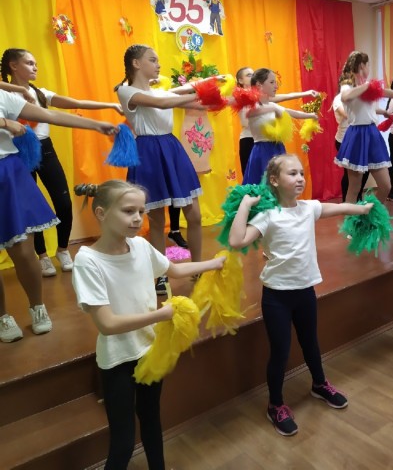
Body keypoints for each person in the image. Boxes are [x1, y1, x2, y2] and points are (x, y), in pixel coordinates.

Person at [72, 179, 226, 469]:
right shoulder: (88, 261)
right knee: (123, 442)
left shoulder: (141, 246)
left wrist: (213, 264)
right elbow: (107, 324)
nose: (137, 218)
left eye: (141, 212)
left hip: (149, 351)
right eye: (128, 211)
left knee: (152, 420)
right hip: (118, 361)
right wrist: (159, 316)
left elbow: (174, 269)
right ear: (101, 213)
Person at [229, 154, 373, 436]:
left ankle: (319, 384)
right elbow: (237, 241)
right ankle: (275, 405)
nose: (300, 179)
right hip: (277, 297)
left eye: (301, 174)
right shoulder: (268, 216)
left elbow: (337, 207)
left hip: (305, 291)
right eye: (292, 174)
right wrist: (245, 206)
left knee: (311, 343)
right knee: (280, 352)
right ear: (274, 180)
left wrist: (363, 208)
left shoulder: (309, 208)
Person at [0, 89, 117, 343]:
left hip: (7, 172)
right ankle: (2, 317)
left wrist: (95, 125)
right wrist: (5, 123)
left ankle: (37, 307)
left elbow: (49, 115)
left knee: (24, 251)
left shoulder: (2, 96)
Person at [1, 48, 123, 277]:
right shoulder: (5, 93)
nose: (35, 67)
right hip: (18, 153)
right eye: (29, 63)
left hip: (45, 150)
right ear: (13, 66)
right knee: (30, 208)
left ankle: (63, 249)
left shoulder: (40, 93)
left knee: (63, 203)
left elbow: (74, 104)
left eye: (36, 63)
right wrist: (17, 93)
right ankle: (42, 256)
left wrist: (108, 106)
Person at [115, 44, 207, 295]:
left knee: (195, 216)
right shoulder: (126, 91)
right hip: (148, 152)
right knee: (157, 221)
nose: (158, 64)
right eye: (153, 60)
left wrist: (214, 83)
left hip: (172, 149)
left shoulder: (159, 90)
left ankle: (197, 266)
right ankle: (160, 275)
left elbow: (178, 92)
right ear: (136, 63)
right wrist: (200, 94)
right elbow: (165, 102)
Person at [335, 51, 393, 203]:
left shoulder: (367, 87)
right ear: (361, 66)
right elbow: (345, 97)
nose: (369, 68)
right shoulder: (347, 85)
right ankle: (351, 217)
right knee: (354, 187)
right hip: (357, 134)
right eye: (368, 65)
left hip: (372, 133)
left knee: (385, 185)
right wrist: (366, 86)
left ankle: (372, 213)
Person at [235, 66, 318, 176]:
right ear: (240, 80)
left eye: (253, 74)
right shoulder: (242, 98)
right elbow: (248, 114)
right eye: (248, 75)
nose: (252, 76)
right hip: (252, 141)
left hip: (271, 144)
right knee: (257, 176)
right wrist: (272, 108)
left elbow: (285, 100)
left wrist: (306, 95)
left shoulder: (265, 99)